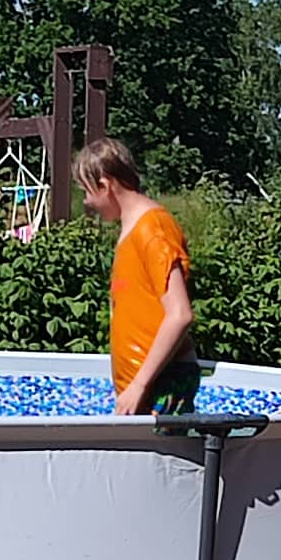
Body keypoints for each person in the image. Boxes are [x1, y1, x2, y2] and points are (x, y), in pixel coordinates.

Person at [75, 136, 199, 417]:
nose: (86, 201)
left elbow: (180, 315)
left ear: (105, 185)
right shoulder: (131, 229)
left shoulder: (152, 230)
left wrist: (140, 384)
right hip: (146, 384)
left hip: (161, 382)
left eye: (87, 191)